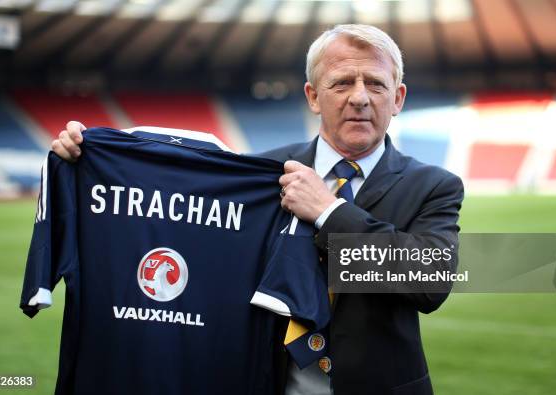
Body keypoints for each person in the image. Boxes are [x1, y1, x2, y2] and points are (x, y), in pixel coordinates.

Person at [51, 24, 463, 395]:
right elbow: (174, 206)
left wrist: (329, 212)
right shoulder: (259, 173)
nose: (359, 97)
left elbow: (429, 282)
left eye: (375, 83)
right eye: (341, 83)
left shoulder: (435, 186)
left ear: (398, 98)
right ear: (313, 97)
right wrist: (90, 161)